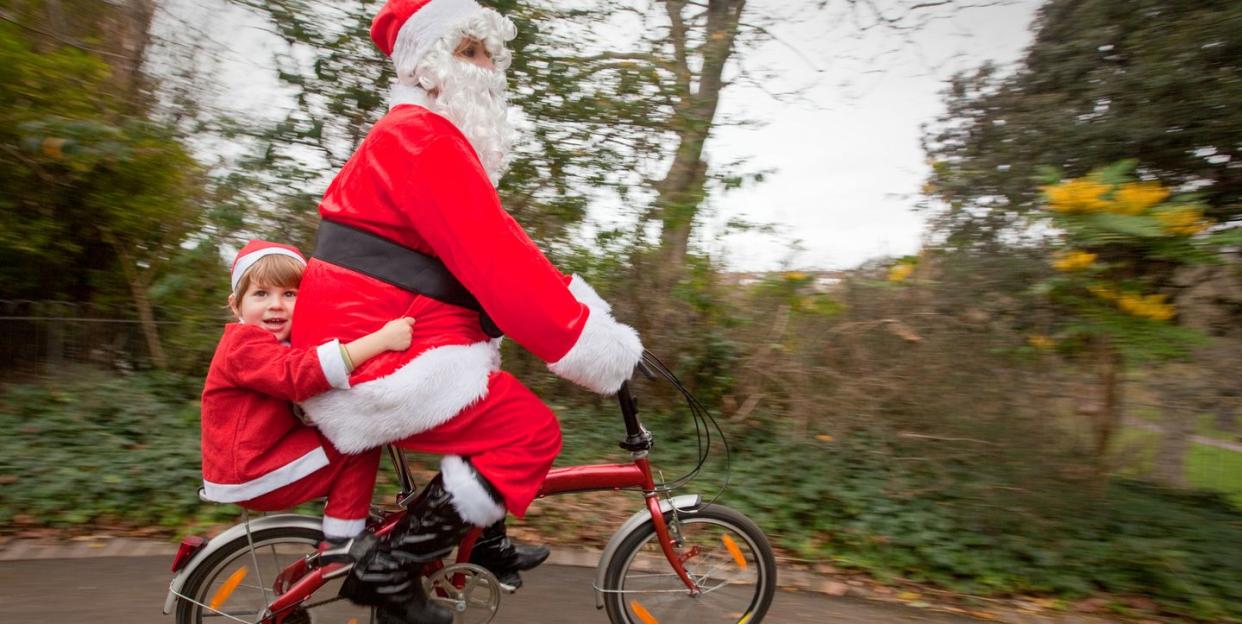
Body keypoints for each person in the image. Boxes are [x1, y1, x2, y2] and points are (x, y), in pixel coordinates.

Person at [289, 1, 644, 622]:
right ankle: (390, 569)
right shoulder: (422, 141)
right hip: (378, 353)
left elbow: (504, 244)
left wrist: (577, 308)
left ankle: (487, 542)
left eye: (490, 54)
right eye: (470, 52)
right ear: (426, 67)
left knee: (497, 408)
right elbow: (498, 265)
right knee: (528, 431)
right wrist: (589, 342)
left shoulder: (424, 140)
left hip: (389, 336)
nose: (488, 69)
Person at [200, 240, 415, 555]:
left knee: (352, 432)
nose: (276, 304)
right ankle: (343, 538)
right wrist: (381, 340)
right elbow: (296, 375)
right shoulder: (243, 344)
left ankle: (345, 520)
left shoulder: (280, 341)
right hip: (250, 468)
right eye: (261, 294)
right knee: (357, 441)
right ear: (236, 306)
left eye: (289, 294)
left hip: (264, 454)